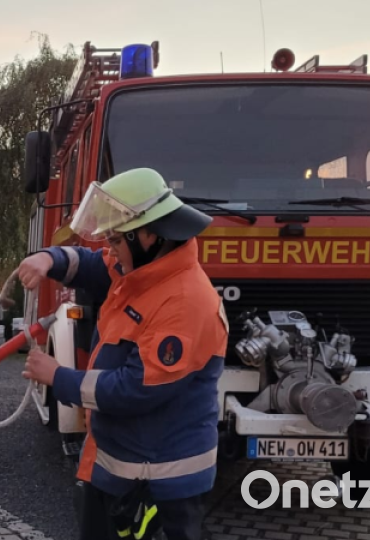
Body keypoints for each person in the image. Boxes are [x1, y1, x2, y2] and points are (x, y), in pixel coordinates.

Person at [19, 168, 227, 540]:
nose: (110, 249)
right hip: (123, 470)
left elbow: (136, 390)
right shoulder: (143, 269)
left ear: (149, 235)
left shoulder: (185, 301)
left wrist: (58, 377)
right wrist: (49, 259)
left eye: (116, 239)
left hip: (160, 485)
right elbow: (92, 264)